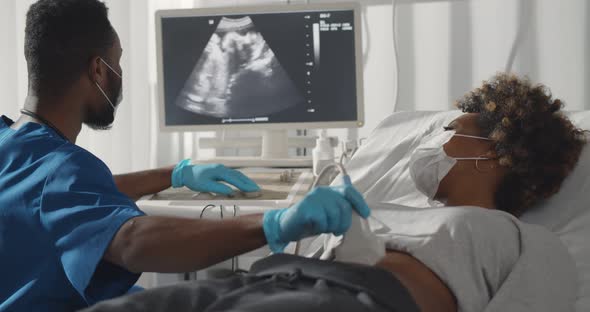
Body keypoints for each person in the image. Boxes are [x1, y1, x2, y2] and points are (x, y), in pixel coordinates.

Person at [81, 73, 587, 312]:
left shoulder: (524, 240)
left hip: (351, 302)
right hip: (268, 281)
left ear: (497, 150)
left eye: (452, 127)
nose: (434, 137)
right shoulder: (387, 204)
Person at [0, 1, 371, 311]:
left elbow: (59, 197)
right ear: (98, 68)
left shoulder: (12, 141)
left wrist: (174, 173)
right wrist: (273, 223)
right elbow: (133, 242)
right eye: (118, 62)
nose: (120, 73)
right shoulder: (63, 173)